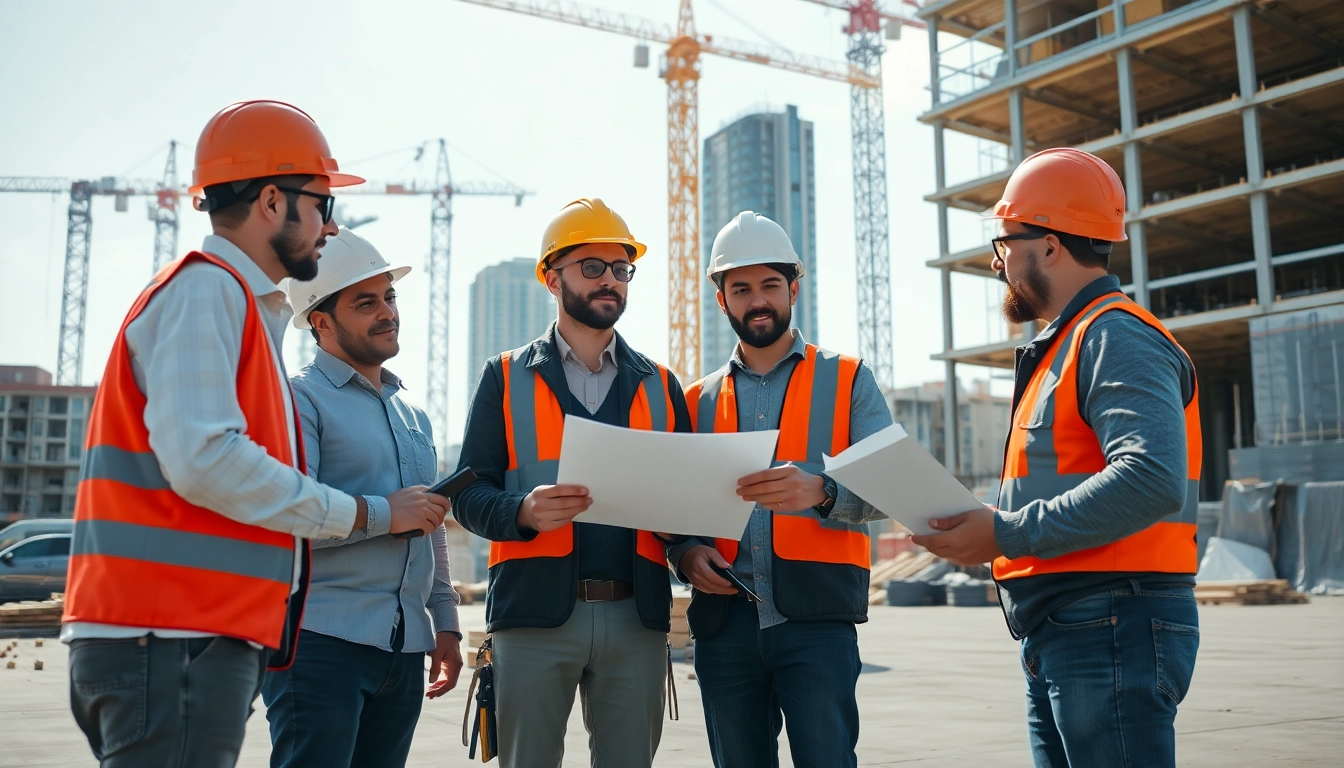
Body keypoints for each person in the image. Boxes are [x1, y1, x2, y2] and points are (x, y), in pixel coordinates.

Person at [60, 101, 414, 768]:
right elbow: (204, 458)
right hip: (168, 635)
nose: (330, 227)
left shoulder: (235, 308)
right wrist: (364, 513)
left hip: (178, 637)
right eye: (320, 204)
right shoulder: (208, 292)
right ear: (273, 201)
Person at [911, 148, 1203, 768]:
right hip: (1074, 626)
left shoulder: (1114, 335)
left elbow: (1151, 477)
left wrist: (1006, 532)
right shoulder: (1069, 345)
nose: (998, 263)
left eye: (1004, 244)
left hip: (1112, 621)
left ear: (1047, 246)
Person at [453, 198, 692, 768]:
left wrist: (690, 549)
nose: (610, 280)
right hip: (532, 616)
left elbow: (684, 506)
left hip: (635, 618)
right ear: (551, 277)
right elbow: (467, 494)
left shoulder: (662, 385)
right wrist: (523, 513)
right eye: (592, 267)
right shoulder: (504, 376)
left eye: (620, 268)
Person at [671, 211, 894, 768]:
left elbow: (892, 490)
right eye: (741, 289)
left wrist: (822, 491)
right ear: (722, 300)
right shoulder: (693, 401)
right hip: (726, 627)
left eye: (770, 285)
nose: (758, 300)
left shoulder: (848, 379)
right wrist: (684, 552)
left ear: (793, 288)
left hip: (817, 622)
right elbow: (674, 511)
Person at [261, 227, 457, 767]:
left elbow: (430, 522)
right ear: (320, 321)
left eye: (389, 297)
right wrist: (384, 515)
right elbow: (286, 520)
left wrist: (444, 622)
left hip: (404, 649)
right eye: (365, 302)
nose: (387, 312)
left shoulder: (412, 414)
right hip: (320, 645)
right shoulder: (299, 400)